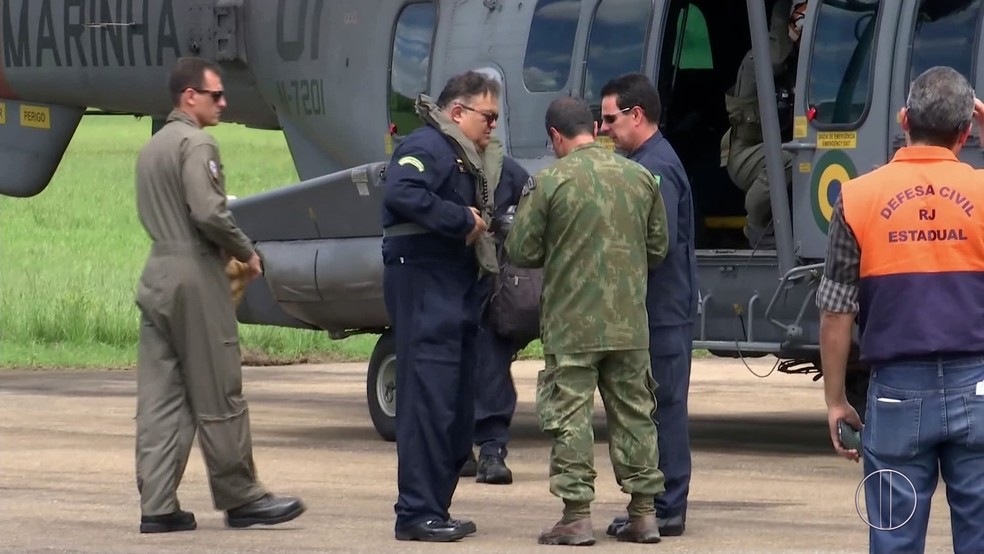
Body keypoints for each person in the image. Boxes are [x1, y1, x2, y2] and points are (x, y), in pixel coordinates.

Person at [133, 57, 305, 534]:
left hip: (158, 276)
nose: (224, 103)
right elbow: (208, 212)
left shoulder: (154, 147)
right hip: (195, 273)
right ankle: (241, 496)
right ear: (190, 96)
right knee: (220, 391)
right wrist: (246, 252)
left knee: (160, 398)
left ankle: (157, 504)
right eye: (215, 95)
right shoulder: (197, 142)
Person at [818, 66, 984, 554]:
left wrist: (834, 400)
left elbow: (835, 310)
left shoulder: (858, 197)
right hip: (977, 386)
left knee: (895, 537)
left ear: (903, 120)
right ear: (966, 131)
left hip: (894, 395)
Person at [505, 97, 668, 546]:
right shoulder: (640, 178)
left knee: (570, 417)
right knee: (636, 414)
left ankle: (576, 517)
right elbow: (658, 249)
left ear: (556, 136)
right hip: (629, 324)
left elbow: (521, 251)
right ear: (596, 127)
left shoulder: (550, 182)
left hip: (572, 324)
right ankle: (644, 514)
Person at [381, 70, 501, 542]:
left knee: (451, 403)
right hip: (426, 284)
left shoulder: (465, 156)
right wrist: (460, 219)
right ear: (457, 112)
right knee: (428, 401)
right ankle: (416, 512)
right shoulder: (426, 146)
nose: (492, 126)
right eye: (487, 116)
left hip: (452, 288)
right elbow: (402, 192)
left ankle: (435, 506)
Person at [599, 73, 697, 538]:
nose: (604, 130)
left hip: (663, 311)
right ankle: (655, 503)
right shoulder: (645, 161)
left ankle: (667, 507)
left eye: (610, 119)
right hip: (654, 309)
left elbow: (656, 244)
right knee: (653, 406)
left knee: (665, 406)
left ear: (636, 115)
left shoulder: (655, 167)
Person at [459, 146, 531, 485]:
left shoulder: (509, 173)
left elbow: (532, 223)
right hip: (448, 282)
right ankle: (456, 450)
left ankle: (491, 450)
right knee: (447, 369)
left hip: (492, 285)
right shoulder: (438, 163)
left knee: (491, 365)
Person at [722, 0, 807, 247]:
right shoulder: (757, 62)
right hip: (746, 154)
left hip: (769, 153)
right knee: (795, 158)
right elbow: (776, 52)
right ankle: (755, 226)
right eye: (800, 21)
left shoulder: (801, 64)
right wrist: (783, 10)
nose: (804, 30)